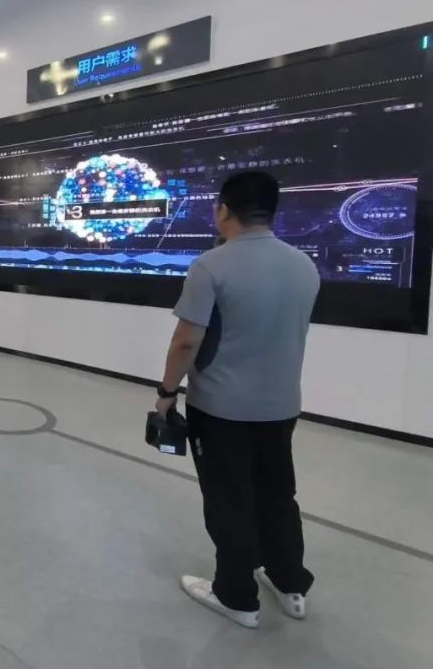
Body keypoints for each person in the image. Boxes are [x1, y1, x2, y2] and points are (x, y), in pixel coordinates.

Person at [155, 171, 319, 629]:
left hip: (221, 408)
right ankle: (290, 584)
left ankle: (236, 596)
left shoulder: (211, 265)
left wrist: (167, 393)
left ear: (223, 210)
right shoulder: (304, 265)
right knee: (277, 495)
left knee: (229, 500)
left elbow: (186, 342)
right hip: (281, 406)